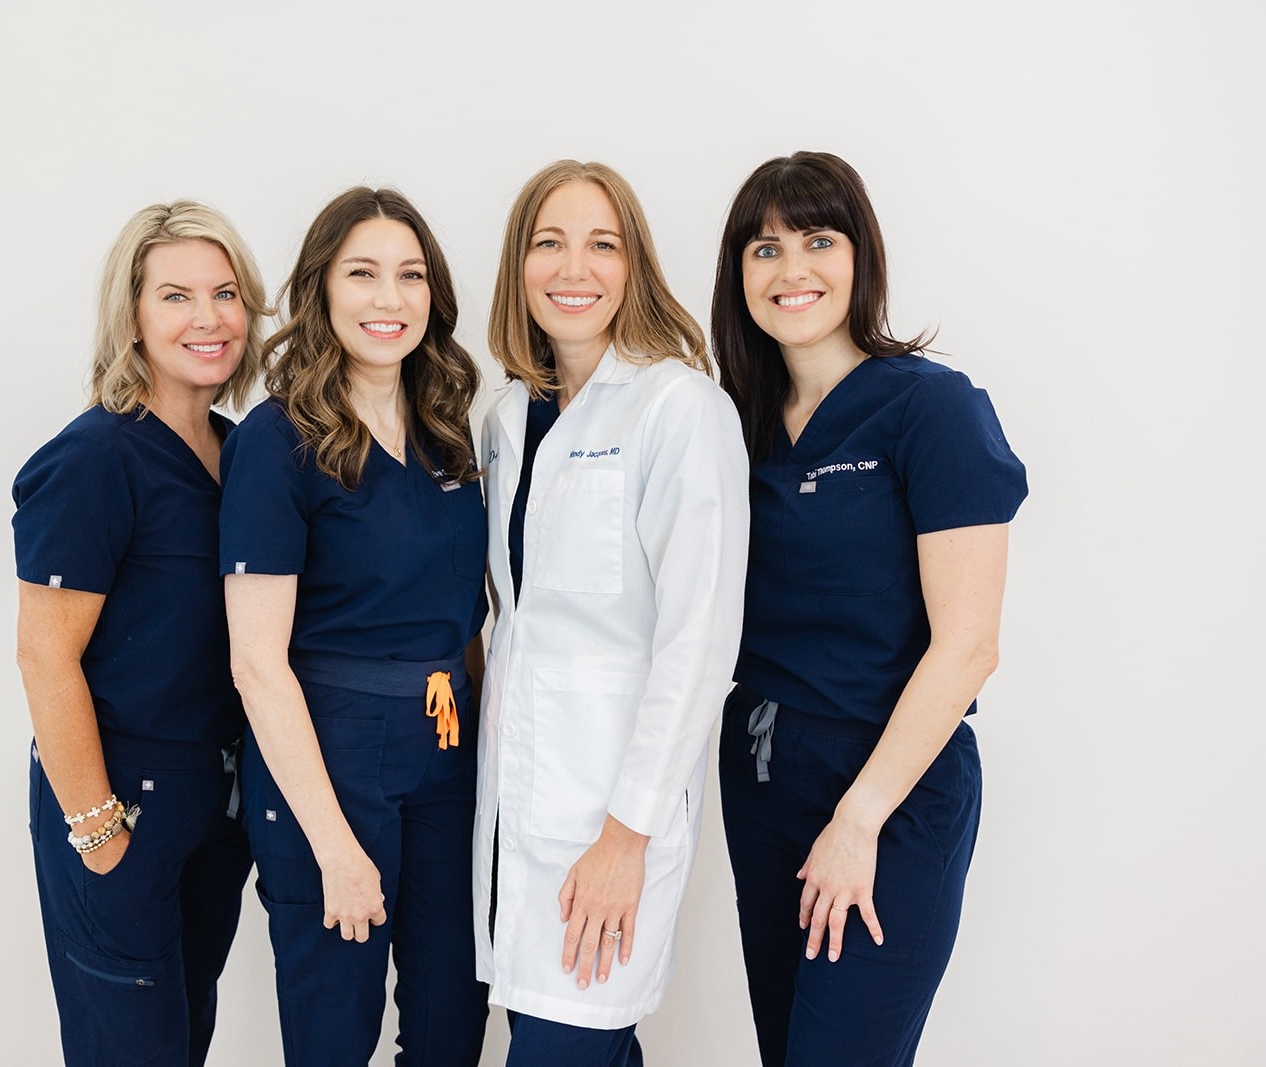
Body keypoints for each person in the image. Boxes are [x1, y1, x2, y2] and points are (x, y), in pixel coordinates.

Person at [709, 150, 1029, 1066]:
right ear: (739, 273)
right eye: (765, 249)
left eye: (819, 240)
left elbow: (968, 646)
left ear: (862, 257)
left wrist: (858, 820)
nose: (792, 269)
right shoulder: (735, 421)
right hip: (762, 771)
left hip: (891, 786)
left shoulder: (931, 409)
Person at [475, 159, 749, 1066]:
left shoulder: (681, 410)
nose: (573, 268)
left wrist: (625, 838)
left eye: (602, 244)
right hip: (515, 815)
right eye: (548, 243)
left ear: (635, 266)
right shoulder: (507, 419)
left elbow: (698, 644)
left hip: (609, 824)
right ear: (519, 265)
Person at [219, 186, 489, 1067]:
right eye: (362, 273)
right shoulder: (277, 441)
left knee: (451, 1024)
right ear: (321, 290)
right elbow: (256, 664)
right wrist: (334, 846)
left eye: (410, 275)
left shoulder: (448, 433)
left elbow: (470, 615)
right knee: (335, 1034)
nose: (389, 298)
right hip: (331, 751)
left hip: (446, 746)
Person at [12, 200, 270, 1066]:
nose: (208, 317)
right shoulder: (95, 458)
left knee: (183, 1038)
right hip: (120, 799)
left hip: (217, 808)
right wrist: (99, 832)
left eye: (225, 293)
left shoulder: (243, 453)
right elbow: (43, 654)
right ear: (131, 316)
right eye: (176, 296)